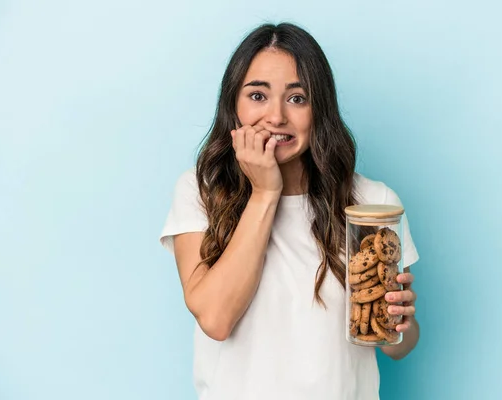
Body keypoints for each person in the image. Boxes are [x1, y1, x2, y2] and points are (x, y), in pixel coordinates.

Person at [159, 22, 420, 400]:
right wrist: (265, 191)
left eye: (297, 98)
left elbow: (400, 345)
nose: (277, 117)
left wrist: (399, 323)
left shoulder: (371, 202)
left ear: (320, 110)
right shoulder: (201, 191)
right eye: (258, 96)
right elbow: (215, 319)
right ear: (233, 104)